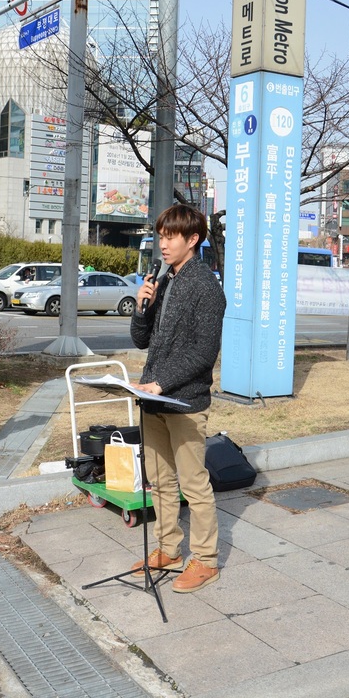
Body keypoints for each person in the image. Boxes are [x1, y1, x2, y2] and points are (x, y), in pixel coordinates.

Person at [129, 204, 226, 594]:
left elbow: (203, 353)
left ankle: (205, 560)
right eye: (161, 235)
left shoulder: (206, 287)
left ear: (193, 239)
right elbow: (142, 341)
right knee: (161, 483)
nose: (163, 243)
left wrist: (162, 383)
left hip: (184, 402)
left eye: (171, 236)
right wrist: (141, 307)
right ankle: (169, 549)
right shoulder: (165, 279)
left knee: (193, 484)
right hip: (153, 400)